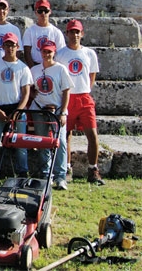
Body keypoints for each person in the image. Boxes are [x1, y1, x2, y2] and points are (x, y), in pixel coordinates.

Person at [57, 20, 104, 185]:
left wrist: (84, 90)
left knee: (92, 134)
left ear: (82, 34)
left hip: (84, 97)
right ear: (67, 34)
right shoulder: (60, 53)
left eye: (78, 32)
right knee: (66, 135)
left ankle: (93, 169)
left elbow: (91, 75)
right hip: (68, 98)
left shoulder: (89, 53)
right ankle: (67, 167)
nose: (75, 35)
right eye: (72, 32)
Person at [0, 32, 32, 186]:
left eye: (13, 45)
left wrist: (18, 111)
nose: (10, 48)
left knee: (21, 144)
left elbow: (26, 92)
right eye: (7, 45)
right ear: (2, 46)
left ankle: (22, 172)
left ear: (18, 47)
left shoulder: (23, 68)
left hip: (17, 109)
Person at [30, 40, 72, 190]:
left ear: (54, 53)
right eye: (44, 51)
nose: (47, 54)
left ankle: (61, 176)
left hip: (56, 110)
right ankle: (46, 174)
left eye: (49, 52)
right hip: (39, 108)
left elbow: (66, 91)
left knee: (60, 142)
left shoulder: (60, 69)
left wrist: (63, 112)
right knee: (43, 142)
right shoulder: (35, 70)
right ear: (40, 52)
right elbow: (30, 87)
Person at [23, 0, 66, 68]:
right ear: (36, 12)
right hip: (35, 65)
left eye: (46, 11)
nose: (43, 13)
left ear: (50, 12)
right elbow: (27, 53)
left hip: (52, 66)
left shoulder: (56, 32)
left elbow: (60, 53)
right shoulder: (30, 31)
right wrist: (34, 69)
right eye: (40, 11)